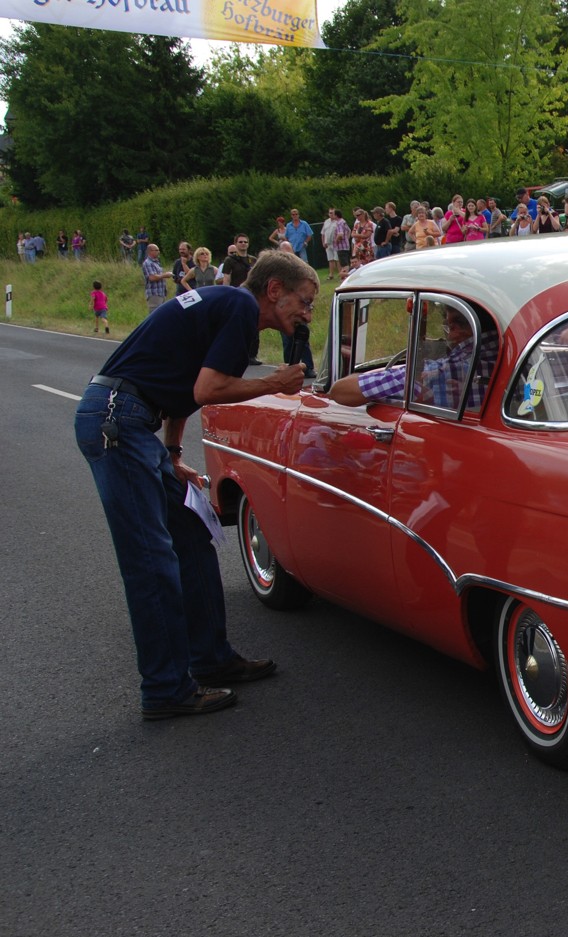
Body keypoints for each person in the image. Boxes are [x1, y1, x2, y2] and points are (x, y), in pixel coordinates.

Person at [74, 250, 316, 720]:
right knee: (152, 561)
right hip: (118, 421)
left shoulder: (227, 306)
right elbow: (209, 390)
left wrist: (171, 452)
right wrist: (274, 384)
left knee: (192, 533)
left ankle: (210, 658)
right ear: (274, 291)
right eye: (303, 302)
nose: (307, 314)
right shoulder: (240, 307)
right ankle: (165, 688)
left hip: (129, 418)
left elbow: (187, 386)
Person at [329, 306, 496, 410]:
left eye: (448, 327)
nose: (448, 336)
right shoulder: (503, 363)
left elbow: (340, 391)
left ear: (455, 328)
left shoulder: (435, 373)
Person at [141, 244, 174, 313]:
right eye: (156, 250)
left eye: (158, 250)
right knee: (155, 313)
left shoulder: (156, 262)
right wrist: (165, 275)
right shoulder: (148, 263)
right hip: (154, 293)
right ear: (150, 251)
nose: (158, 252)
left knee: (161, 314)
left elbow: (158, 275)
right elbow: (152, 277)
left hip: (161, 293)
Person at [322, 208, 341, 279]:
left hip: (336, 243)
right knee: (330, 259)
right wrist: (323, 242)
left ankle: (340, 273)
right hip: (328, 243)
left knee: (337, 259)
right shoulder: (326, 222)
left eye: (332, 213)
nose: (331, 214)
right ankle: (331, 274)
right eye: (330, 213)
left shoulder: (338, 222)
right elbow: (323, 233)